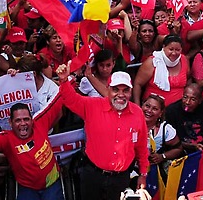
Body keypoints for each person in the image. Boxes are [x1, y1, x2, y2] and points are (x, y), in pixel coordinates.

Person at [55, 65, 149, 200]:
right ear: (108, 89)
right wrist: (64, 80)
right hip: (92, 176)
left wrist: (143, 174)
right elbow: (70, 99)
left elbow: (141, 148)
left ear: (131, 92)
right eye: (115, 89)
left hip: (120, 179)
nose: (120, 95)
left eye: (125, 90)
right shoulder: (92, 106)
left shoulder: (138, 113)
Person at [0, 80, 64, 199]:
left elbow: (57, 100)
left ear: (31, 120)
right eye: (18, 120)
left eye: (26, 119)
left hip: (52, 185)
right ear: (10, 123)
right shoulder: (6, 139)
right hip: (28, 189)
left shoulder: (40, 122)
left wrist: (66, 81)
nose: (23, 123)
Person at [165, 84, 203, 153]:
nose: (187, 102)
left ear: (200, 100)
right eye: (185, 97)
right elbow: (170, 141)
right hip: (181, 151)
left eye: (193, 99)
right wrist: (192, 146)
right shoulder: (172, 111)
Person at [133, 35, 188, 105]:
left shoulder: (184, 60)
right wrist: (137, 107)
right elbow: (138, 84)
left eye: (177, 50)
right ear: (164, 47)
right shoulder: (152, 62)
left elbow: (188, 79)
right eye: (171, 49)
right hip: (153, 108)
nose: (174, 53)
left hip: (178, 107)